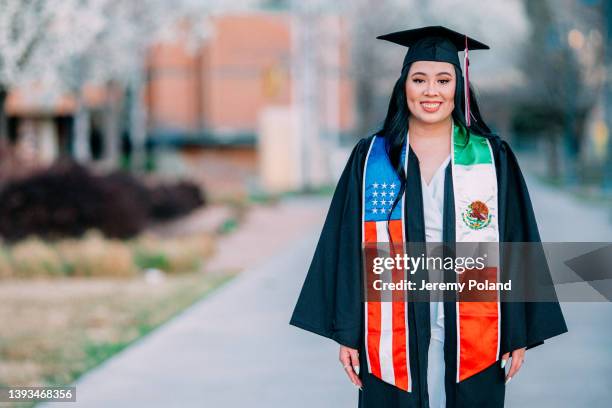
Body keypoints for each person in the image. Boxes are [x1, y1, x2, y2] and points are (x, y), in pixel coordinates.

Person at [289, 26, 567, 408]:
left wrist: (516, 329)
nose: (431, 91)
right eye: (419, 79)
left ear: (459, 87)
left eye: (443, 80)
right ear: (404, 86)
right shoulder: (372, 158)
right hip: (393, 318)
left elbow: (516, 242)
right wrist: (349, 332)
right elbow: (347, 247)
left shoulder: (491, 157)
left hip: (474, 313)